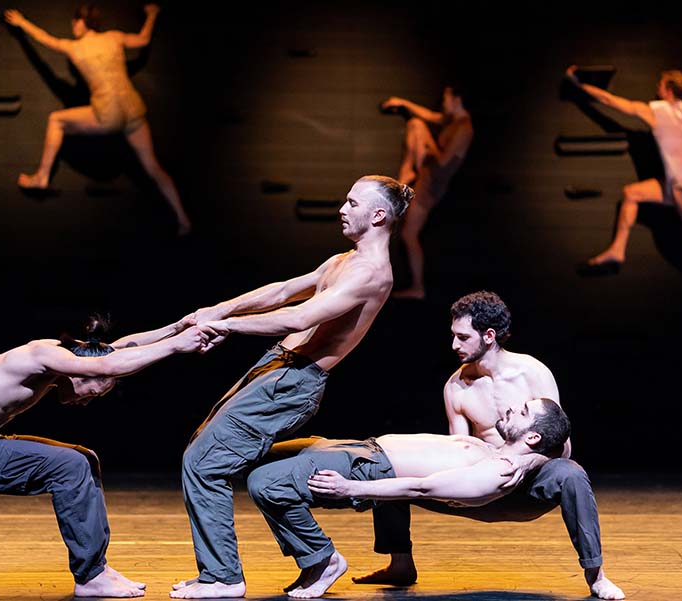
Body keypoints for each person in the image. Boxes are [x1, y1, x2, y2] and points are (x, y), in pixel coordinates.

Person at [169, 175, 412, 599]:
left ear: (377, 215)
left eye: (352, 203)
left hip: (293, 381)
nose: (342, 208)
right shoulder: (343, 260)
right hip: (275, 368)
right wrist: (220, 307)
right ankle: (316, 559)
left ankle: (223, 577)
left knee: (204, 463)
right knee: (218, 462)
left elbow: (300, 318)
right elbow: (283, 291)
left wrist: (226, 326)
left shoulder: (372, 274)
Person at [354, 291, 624, 599]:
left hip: (529, 484)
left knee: (571, 473)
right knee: (391, 466)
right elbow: (457, 448)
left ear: (489, 336)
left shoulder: (532, 373)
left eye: (463, 337)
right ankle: (400, 564)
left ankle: (596, 575)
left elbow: (561, 443)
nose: (454, 345)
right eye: (453, 336)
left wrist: (524, 463)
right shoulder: (456, 387)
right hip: (483, 487)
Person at [0, 315, 213, 598]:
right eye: (91, 392)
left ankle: (97, 568)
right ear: (79, 372)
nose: (86, 401)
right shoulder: (39, 355)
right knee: (69, 465)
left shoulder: (65, 355)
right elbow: (107, 362)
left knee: (84, 459)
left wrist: (174, 328)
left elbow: (115, 350)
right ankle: (90, 577)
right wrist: (176, 345)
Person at [246, 397, 571, 599]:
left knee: (264, 482)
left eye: (524, 411)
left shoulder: (497, 473)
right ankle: (312, 563)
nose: (514, 407)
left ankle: (322, 559)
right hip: (363, 447)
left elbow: (419, 488)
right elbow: (554, 447)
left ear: (533, 437)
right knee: (259, 454)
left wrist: (351, 488)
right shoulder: (493, 448)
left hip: (368, 467)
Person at [566, 41, 682, 320]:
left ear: (667, 89)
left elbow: (610, 101)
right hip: (678, 183)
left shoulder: (655, 111)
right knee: (633, 193)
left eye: (660, 85)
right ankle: (617, 251)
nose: (657, 89)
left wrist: (577, 84)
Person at [3, 4, 192, 235]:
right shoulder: (114, 37)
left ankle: (42, 176)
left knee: (56, 119)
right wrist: (152, 15)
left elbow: (45, 39)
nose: (72, 26)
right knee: (154, 167)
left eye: (74, 22)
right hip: (133, 110)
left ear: (83, 22)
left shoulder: (75, 47)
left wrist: (22, 22)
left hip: (109, 112)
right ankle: (183, 219)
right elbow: (143, 39)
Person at [379, 86, 473, 299]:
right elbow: (430, 115)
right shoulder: (453, 120)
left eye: (446, 98)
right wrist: (402, 102)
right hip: (426, 175)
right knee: (416, 123)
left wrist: (428, 146)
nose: (443, 102)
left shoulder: (464, 128)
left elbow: (442, 162)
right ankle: (407, 173)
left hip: (432, 184)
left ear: (457, 99)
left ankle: (417, 287)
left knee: (409, 234)